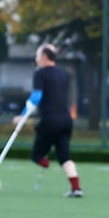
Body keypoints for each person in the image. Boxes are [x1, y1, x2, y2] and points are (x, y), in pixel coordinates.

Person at [26, 43, 83, 198]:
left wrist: (23, 114)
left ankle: (44, 161)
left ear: (44, 57)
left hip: (48, 120)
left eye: (37, 55)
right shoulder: (63, 74)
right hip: (65, 121)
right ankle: (76, 188)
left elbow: (37, 96)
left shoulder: (40, 73)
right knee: (64, 156)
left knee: (36, 155)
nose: (36, 58)